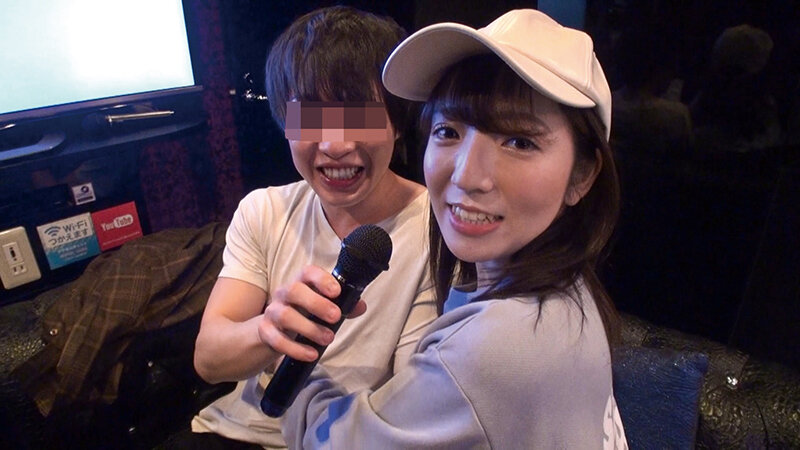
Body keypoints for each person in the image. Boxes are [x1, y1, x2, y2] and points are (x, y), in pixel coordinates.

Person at [281, 9, 629, 448]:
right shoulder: (569, 293)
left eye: (519, 141)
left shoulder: (497, 349)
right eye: (447, 131)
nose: (466, 175)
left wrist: (293, 365)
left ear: (582, 175)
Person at [162, 6, 437, 449]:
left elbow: (410, 405)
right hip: (231, 432)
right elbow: (209, 359)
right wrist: (268, 330)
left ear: (398, 122)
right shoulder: (264, 210)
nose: (334, 144)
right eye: (310, 117)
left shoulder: (437, 231)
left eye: (360, 116)